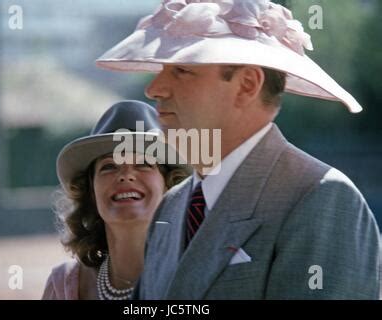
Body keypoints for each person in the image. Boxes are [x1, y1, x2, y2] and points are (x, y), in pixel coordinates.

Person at [96, 0, 381, 299]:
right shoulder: (171, 205)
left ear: (247, 84)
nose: (154, 88)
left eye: (181, 69)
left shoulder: (320, 197)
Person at [41, 100, 190, 300]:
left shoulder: (199, 277)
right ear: (91, 192)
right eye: (109, 166)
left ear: (170, 186)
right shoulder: (63, 286)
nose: (126, 175)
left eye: (144, 164)